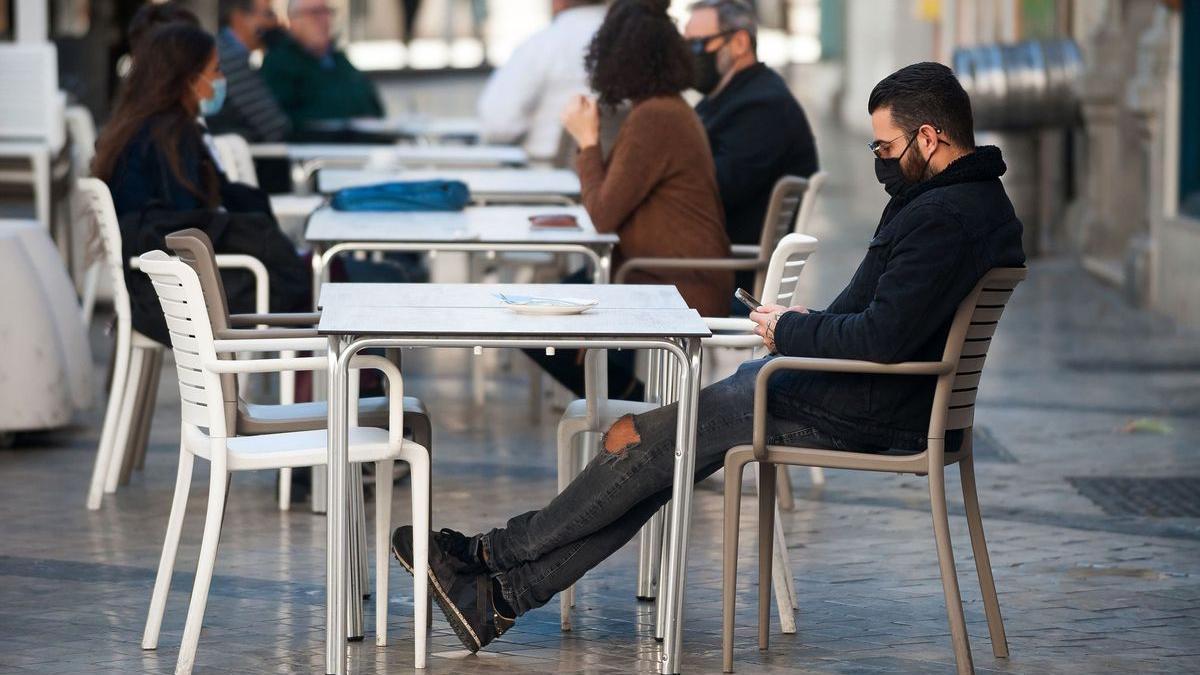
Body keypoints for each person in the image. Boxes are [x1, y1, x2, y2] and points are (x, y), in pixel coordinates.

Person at [389, 61, 1027, 652]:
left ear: (930, 137)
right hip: (845, 392)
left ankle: (489, 558)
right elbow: (883, 322)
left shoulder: (946, 216)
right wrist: (805, 323)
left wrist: (791, 334)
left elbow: (882, 339)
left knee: (647, 444)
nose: (880, 161)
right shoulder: (966, 203)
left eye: (886, 148)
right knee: (654, 453)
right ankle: (498, 594)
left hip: (861, 407)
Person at [527, 0, 732, 402]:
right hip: (660, 275)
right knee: (542, 313)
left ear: (617, 58)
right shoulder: (662, 109)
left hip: (672, 284)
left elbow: (602, 215)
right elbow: (613, 200)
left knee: (540, 329)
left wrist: (586, 141)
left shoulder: (655, 117)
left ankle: (653, 420)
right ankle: (645, 414)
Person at [92, 23, 311, 341]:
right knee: (310, 285)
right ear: (190, 81)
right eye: (217, 70)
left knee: (304, 273)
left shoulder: (134, 129)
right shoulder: (168, 139)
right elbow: (184, 229)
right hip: (176, 296)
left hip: (153, 288)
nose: (221, 80)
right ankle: (330, 376)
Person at [684, 0, 819, 297]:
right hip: (705, 263)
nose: (688, 57)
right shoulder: (725, 98)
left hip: (721, 278)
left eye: (697, 45)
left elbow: (712, 192)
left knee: (610, 285)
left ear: (740, 42)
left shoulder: (762, 106)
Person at [475, 0, 606, 160]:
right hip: (619, 173)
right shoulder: (632, 43)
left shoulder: (541, 45)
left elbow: (497, 126)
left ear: (558, 2)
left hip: (546, 173)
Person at [260, 0, 385, 133]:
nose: (324, 19)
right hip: (315, 148)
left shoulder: (339, 60)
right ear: (293, 20)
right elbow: (281, 121)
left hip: (364, 144)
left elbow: (373, 105)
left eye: (327, 12)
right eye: (315, 13)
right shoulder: (279, 63)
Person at [206, 0, 291, 143]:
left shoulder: (224, 51)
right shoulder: (228, 58)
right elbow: (274, 127)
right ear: (239, 18)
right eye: (269, 14)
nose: (276, 23)